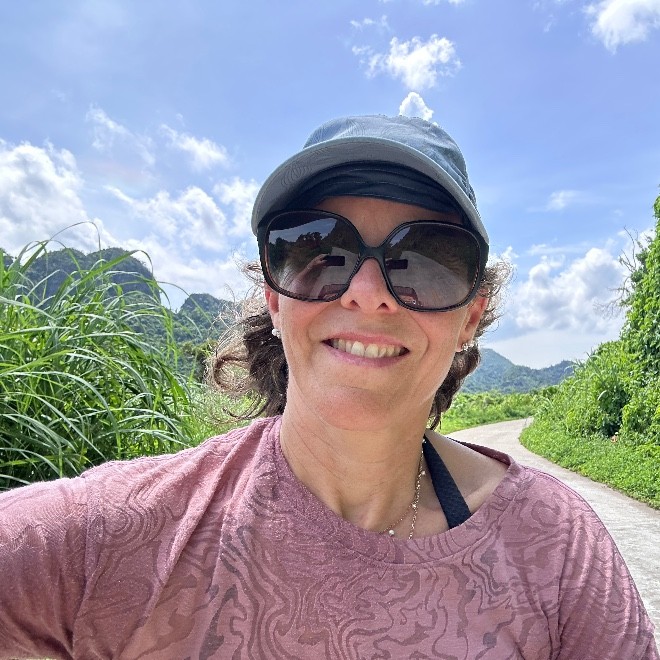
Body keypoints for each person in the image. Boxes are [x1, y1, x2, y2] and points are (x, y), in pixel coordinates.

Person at [0, 115, 657, 660]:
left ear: (469, 317)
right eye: (321, 250)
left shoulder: (555, 549)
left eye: (425, 260)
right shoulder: (121, 535)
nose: (368, 294)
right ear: (274, 296)